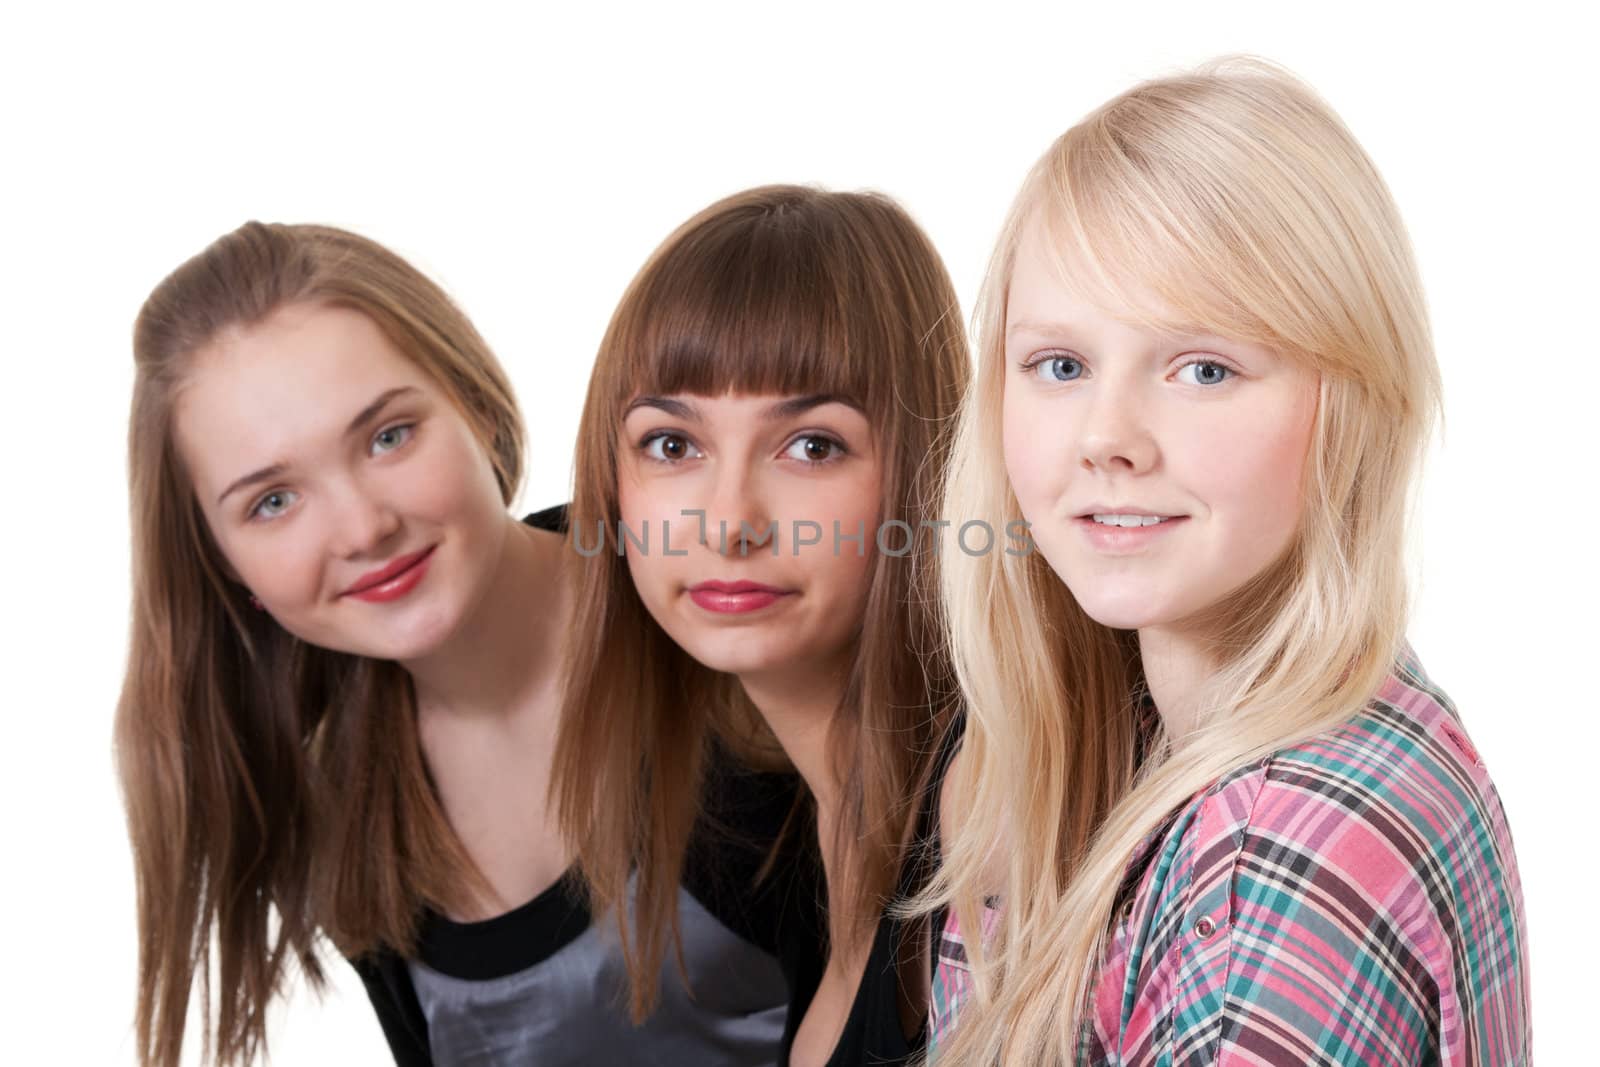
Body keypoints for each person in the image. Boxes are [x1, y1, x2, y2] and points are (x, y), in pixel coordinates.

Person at [922, 60, 1530, 1064]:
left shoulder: (1269, 851)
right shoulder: (1190, 737)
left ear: (1350, 401)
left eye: (1202, 368)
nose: (1105, 436)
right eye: (1059, 366)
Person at [115, 222, 803, 1067]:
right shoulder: (341, 811)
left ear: (475, 403)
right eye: (272, 501)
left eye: (388, 436)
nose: (365, 527)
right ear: (228, 572)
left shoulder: (720, 611)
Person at [552, 185, 971, 1067]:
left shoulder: (986, 823)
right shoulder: (804, 836)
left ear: (926, 468)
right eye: (673, 445)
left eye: (812, 445)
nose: (728, 520)